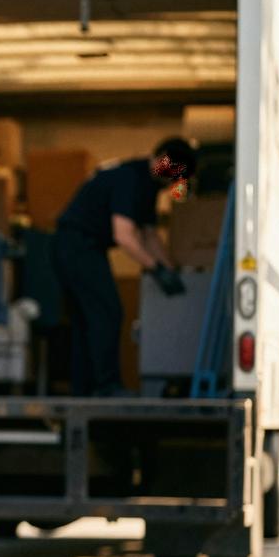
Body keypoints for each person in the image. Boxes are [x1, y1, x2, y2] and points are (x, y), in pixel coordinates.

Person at [50, 138, 197, 396]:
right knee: (108, 312)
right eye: (174, 170)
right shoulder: (130, 178)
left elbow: (150, 235)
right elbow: (124, 235)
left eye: (178, 175)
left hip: (80, 247)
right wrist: (156, 269)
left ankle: (83, 392)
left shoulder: (149, 186)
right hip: (76, 245)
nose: (174, 179)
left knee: (88, 322)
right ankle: (106, 386)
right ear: (160, 157)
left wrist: (171, 269)